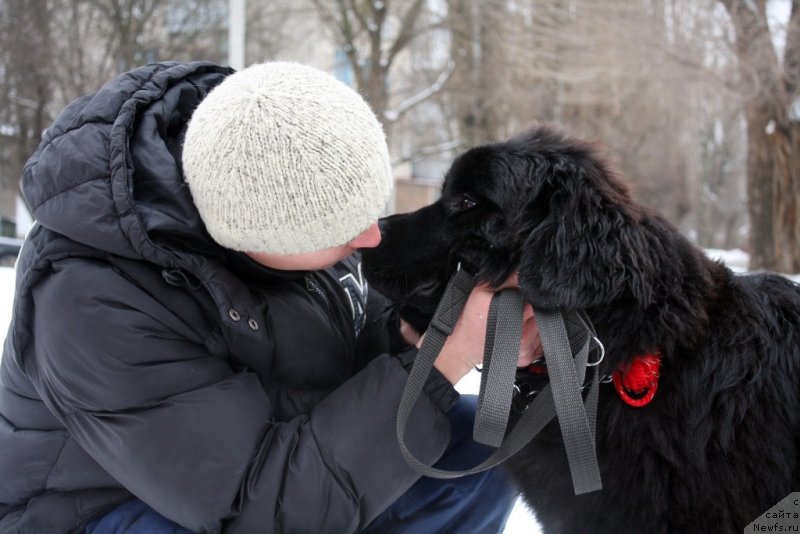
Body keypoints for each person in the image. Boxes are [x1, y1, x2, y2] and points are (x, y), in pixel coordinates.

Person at [0, 61, 532, 533]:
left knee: (481, 446)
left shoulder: (274, 158)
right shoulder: (92, 305)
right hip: (106, 508)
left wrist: (424, 332)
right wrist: (447, 357)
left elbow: (342, 352)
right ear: (255, 237)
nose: (370, 237)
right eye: (343, 229)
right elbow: (259, 511)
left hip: (278, 467)